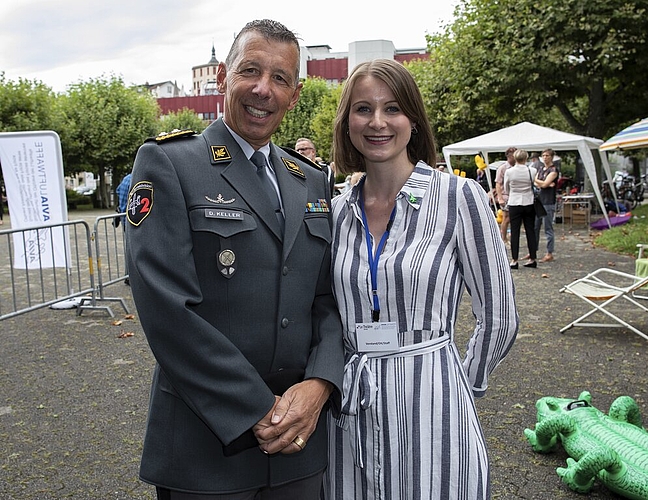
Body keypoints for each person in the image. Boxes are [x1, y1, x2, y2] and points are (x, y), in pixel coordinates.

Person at [125, 19, 344, 499]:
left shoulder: (308, 179)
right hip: (206, 447)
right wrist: (256, 409)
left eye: (280, 78)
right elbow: (166, 309)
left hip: (299, 444)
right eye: (250, 71)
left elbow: (328, 298)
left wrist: (321, 383)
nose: (263, 89)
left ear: (296, 93)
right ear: (223, 77)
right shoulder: (171, 164)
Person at [323, 58, 518, 500]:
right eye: (362, 109)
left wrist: (460, 384)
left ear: (412, 118)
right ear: (347, 122)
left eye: (392, 108)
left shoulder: (459, 198)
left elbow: (500, 316)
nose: (377, 122)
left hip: (433, 407)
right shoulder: (336, 211)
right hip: (349, 409)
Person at [504, 148, 538, 269]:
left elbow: (506, 188)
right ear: (526, 158)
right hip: (528, 201)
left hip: (514, 201)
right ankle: (532, 258)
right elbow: (534, 184)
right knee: (530, 231)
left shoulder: (509, 172)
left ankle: (514, 259)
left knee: (515, 231)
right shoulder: (532, 170)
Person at [533, 149, 559, 263]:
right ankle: (533, 250)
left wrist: (541, 182)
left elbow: (544, 184)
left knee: (548, 228)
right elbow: (536, 182)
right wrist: (542, 183)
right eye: (543, 155)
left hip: (548, 202)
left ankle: (549, 252)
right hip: (539, 201)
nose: (545, 157)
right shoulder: (540, 169)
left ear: (552, 157)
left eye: (547, 155)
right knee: (535, 227)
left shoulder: (553, 170)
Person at [495, 147, 517, 243]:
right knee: (506, 218)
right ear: (509, 156)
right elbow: (498, 183)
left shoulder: (518, 166)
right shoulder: (503, 168)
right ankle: (503, 238)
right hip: (506, 196)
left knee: (516, 218)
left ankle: (512, 237)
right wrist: (500, 198)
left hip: (516, 195)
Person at [114, 172, 132, 284]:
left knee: (129, 249)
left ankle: (128, 275)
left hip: (124, 218)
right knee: (133, 251)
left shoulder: (126, 178)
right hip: (133, 219)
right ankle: (130, 276)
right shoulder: (137, 178)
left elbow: (117, 190)